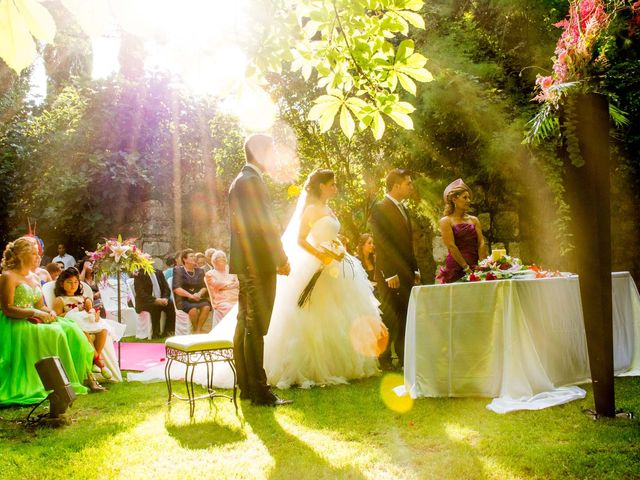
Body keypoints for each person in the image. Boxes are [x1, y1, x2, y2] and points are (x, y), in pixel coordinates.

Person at [264, 169, 387, 389]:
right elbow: (301, 239)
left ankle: (346, 364)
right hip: (318, 263)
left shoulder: (328, 208)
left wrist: (338, 244)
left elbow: (328, 233)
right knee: (319, 314)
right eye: (333, 183)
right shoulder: (310, 210)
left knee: (344, 313)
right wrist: (320, 254)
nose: (336, 187)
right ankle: (316, 367)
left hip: (338, 264)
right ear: (322, 186)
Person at [0, 238, 103, 407]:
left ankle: (83, 377)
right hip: (15, 322)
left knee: (72, 328)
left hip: (36, 317)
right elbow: (7, 308)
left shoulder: (34, 277)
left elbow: (41, 305)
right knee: (55, 332)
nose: (37, 257)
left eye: (37, 254)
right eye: (33, 254)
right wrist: (36, 312)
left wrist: (51, 312)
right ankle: (53, 382)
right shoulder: (8, 276)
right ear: (20, 255)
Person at [229, 133, 291, 406]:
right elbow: (265, 225)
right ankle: (260, 391)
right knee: (256, 326)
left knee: (245, 323)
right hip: (258, 264)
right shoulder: (252, 182)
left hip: (246, 262)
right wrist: (281, 258)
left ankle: (246, 386)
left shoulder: (239, 181)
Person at [369, 168, 420, 371]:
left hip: (406, 271)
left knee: (405, 314)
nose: (411, 186)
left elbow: (407, 243)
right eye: (408, 183)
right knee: (390, 316)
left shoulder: (403, 208)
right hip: (389, 273)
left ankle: (404, 357)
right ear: (396, 185)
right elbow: (382, 242)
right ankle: (384, 360)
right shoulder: (379, 207)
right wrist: (390, 273)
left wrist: (414, 269)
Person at [52, 267, 112, 382]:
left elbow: (89, 310)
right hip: (74, 326)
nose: (73, 285)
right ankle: (99, 361)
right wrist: (71, 311)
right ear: (61, 284)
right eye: (69, 282)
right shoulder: (60, 300)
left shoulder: (82, 298)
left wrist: (94, 314)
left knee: (103, 329)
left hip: (87, 322)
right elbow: (56, 317)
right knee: (84, 333)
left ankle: (94, 360)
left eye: (75, 282)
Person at [436, 179, 488, 284]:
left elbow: (481, 242)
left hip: (475, 264)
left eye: (469, 198)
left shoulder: (474, 220)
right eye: (465, 197)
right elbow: (451, 246)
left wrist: (482, 264)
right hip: (457, 266)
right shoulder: (446, 221)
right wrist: (465, 267)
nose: (468, 200)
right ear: (454, 199)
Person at [172, 249, 211, 334]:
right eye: (191, 256)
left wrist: (199, 294)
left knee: (206, 307)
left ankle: (198, 330)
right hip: (183, 299)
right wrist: (191, 296)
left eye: (194, 256)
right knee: (193, 309)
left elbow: (204, 286)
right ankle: (196, 329)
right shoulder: (178, 270)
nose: (194, 258)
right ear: (185, 259)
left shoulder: (200, 271)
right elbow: (176, 288)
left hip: (198, 298)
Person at [134, 267, 176, 338]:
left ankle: (168, 331)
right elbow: (140, 293)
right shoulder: (139, 274)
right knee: (155, 306)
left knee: (171, 304)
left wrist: (165, 298)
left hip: (161, 298)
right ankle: (155, 333)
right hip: (146, 301)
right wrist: (155, 300)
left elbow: (166, 288)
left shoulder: (158, 272)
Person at [204, 250, 239, 326]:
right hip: (222, 299)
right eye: (220, 257)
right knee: (231, 308)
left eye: (224, 257)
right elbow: (216, 285)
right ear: (214, 260)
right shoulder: (210, 274)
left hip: (237, 296)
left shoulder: (231, 270)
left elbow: (238, 283)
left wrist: (225, 286)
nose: (223, 259)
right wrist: (230, 283)